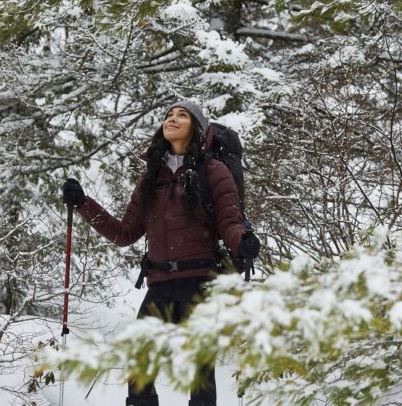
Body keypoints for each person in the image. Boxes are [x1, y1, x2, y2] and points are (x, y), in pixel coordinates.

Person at [61, 100, 260, 406]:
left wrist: (244, 240)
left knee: (200, 369)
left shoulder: (214, 171)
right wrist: (83, 203)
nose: (173, 119)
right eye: (169, 115)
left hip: (200, 282)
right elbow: (124, 233)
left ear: (198, 128)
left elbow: (230, 222)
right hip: (161, 283)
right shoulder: (152, 176)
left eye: (182, 115)